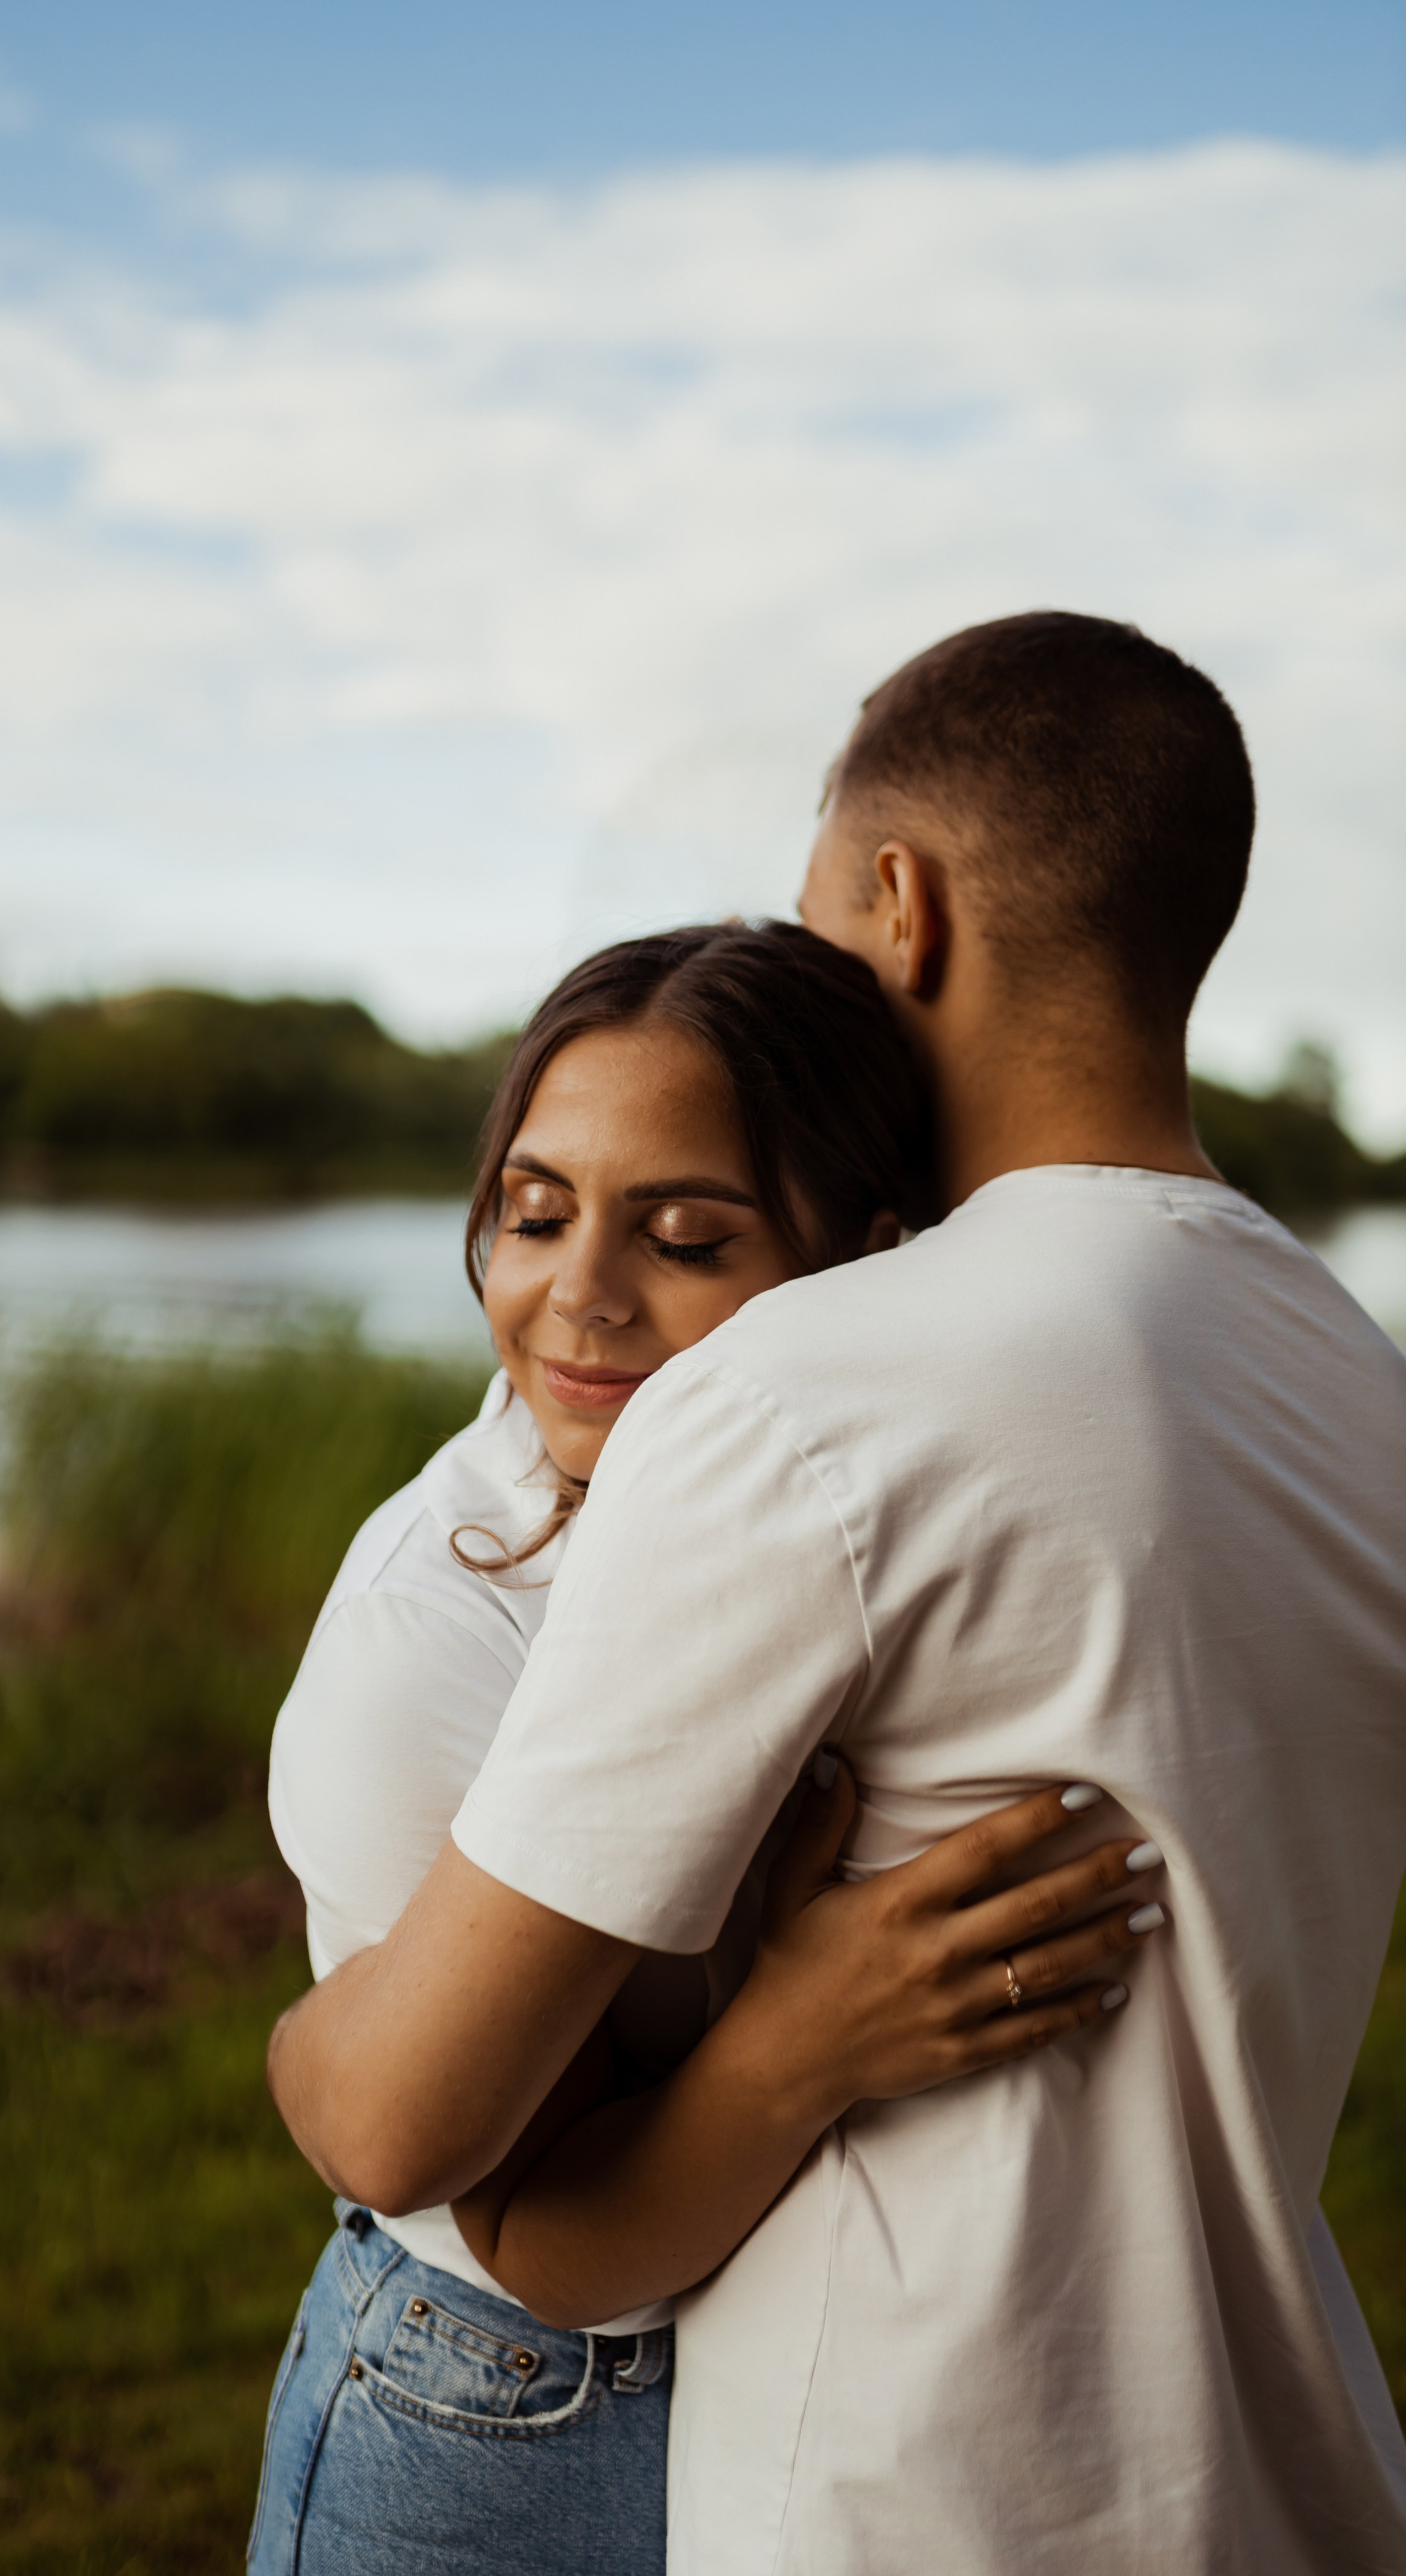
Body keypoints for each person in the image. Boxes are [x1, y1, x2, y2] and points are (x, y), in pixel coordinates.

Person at [271, 613, 1406, 2574]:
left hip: (897, 2500)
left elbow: (391, 2117)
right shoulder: (1342, 1368)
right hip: (1263, 2468)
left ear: (902, 903)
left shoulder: (809, 1390)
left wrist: (305, 2043)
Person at [252, 921, 1167, 2576]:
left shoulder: (854, 1518)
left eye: (682, 1236)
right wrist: (797, 2040)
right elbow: (548, 2232)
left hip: (780, 2379)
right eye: (533, 1216)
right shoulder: (436, 1637)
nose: (577, 1297)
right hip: (503, 2403)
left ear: (872, 1262)